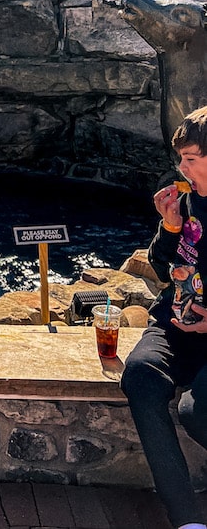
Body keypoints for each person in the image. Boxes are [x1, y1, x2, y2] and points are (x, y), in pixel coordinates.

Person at [122, 105, 207, 529]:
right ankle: (187, 519)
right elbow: (161, 266)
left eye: (191, 158)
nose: (181, 167)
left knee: (198, 412)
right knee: (139, 377)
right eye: (180, 158)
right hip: (174, 325)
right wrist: (169, 227)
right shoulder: (187, 201)